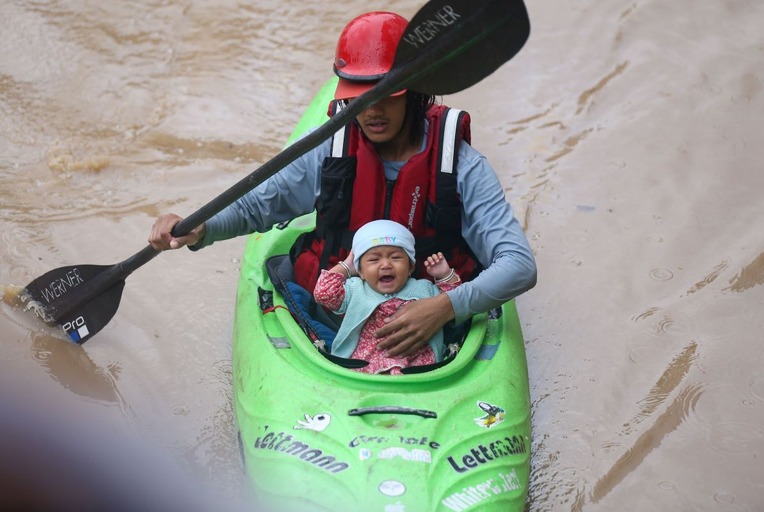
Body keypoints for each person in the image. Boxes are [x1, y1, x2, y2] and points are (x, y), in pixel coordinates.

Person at [149, 11, 536, 360]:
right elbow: (255, 207)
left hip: (434, 328)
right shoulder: (328, 152)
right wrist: (201, 228)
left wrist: (445, 308)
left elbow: (518, 266)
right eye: (358, 95)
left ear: (417, 90)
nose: (371, 110)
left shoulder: (463, 167)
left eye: (386, 94)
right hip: (334, 318)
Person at [314, 220, 460, 374]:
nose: (385, 265)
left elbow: (453, 304)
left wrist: (445, 275)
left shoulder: (424, 288)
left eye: (395, 258)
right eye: (374, 260)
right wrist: (347, 267)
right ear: (361, 271)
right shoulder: (355, 288)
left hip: (417, 362)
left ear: (410, 267)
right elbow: (324, 294)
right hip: (365, 362)